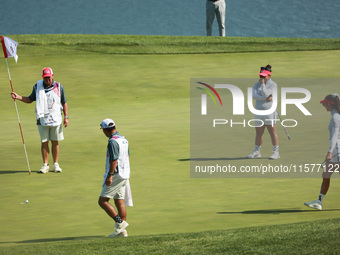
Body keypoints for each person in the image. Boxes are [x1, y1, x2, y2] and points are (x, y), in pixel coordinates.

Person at [11, 67, 68, 173]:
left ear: (52, 76)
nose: (47, 80)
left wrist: (66, 117)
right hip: (42, 119)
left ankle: (56, 164)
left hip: (56, 118)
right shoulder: (37, 87)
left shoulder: (59, 86)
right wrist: (18, 97)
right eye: (45, 78)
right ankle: (45, 165)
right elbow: (30, 99)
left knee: (55, 141)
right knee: (44, 141)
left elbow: (64, 102)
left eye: (49, 77)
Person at [304, 94, 340, 210]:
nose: (323, 105)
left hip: (337, 151)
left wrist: (329, 152)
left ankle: (319, 202)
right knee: (325, 175)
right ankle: (319, 202)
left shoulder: (336, 117)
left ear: (330, 104)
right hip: (335, 150)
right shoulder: (335, 115)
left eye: (325, 103)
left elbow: (335, 136)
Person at [98, 118, 133, 238]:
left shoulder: (112, 142)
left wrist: (110, 175)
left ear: (105, 130)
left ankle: (120, 222)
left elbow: (114, 160)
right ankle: (121, 232)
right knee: (119, 202)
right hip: (125, 174)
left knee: (102, 201)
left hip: (116, 174)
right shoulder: (123, 139)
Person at [247, 65, 280, 160]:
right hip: (258, 110)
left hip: (270, 111)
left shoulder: (273, 85)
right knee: (258, 132)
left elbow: (266, 93)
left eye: (264, 76)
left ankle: (276, 152)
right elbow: (254, 96)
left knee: (272, 131)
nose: (262, 78)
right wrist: (265, 98)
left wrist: (262, 85)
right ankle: (257, 151)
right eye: (261, 76)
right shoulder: (256, 84)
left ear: (269, 75)